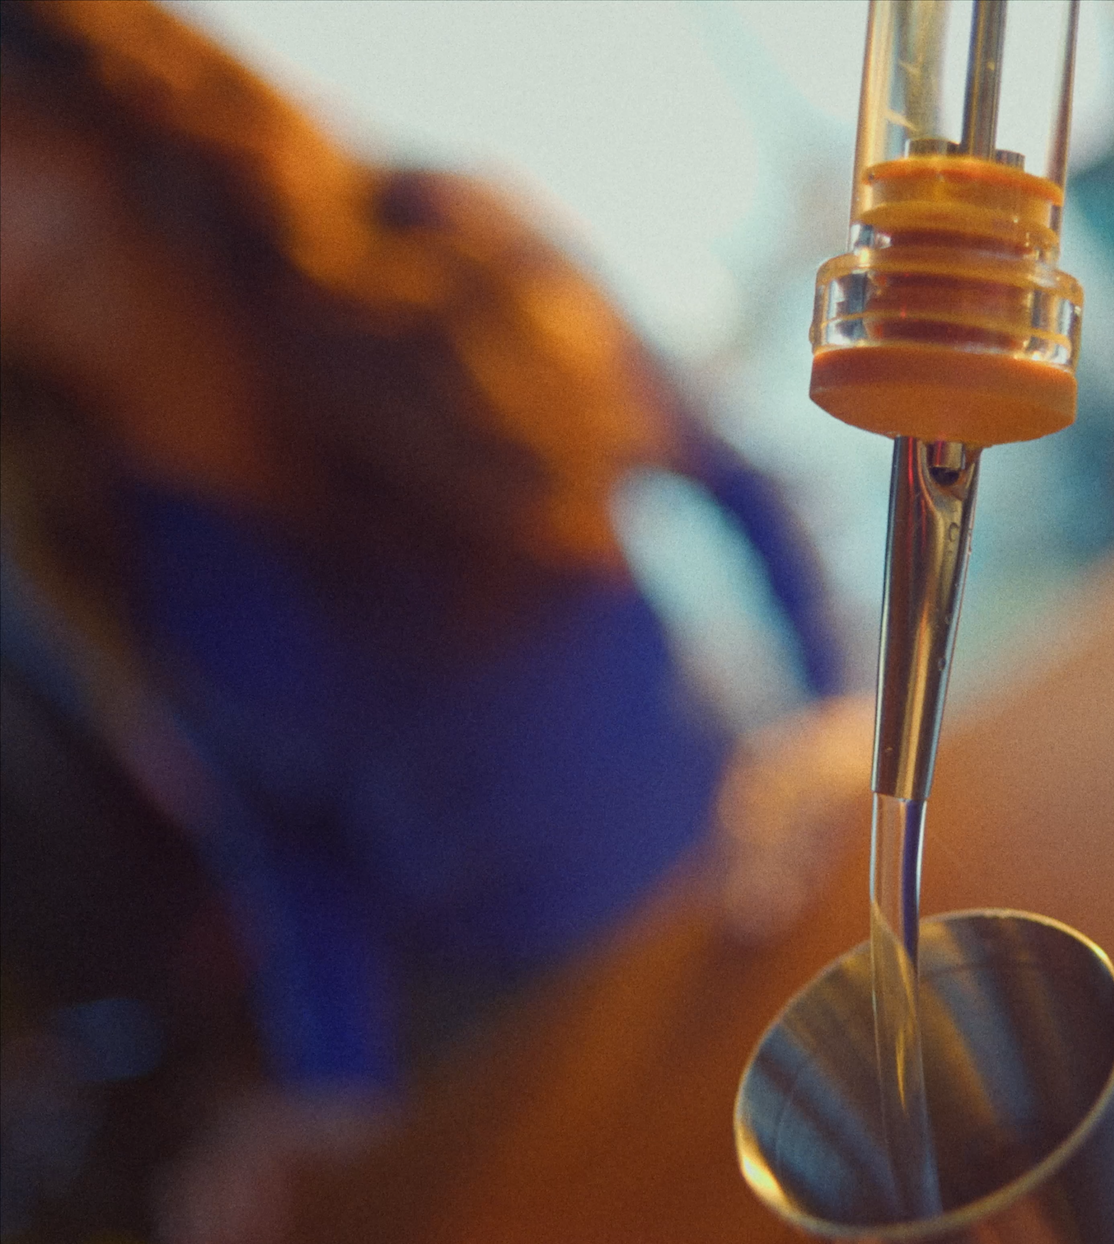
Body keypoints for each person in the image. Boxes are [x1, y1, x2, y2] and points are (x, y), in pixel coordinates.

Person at [0, 2, 846, 1239]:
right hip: (507, 1047)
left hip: (741, 898)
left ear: (77, 122)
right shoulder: (83, 528)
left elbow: (736, 485)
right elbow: (289, 843)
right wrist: (333, 1092)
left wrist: (836, 717)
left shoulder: (428, 248)